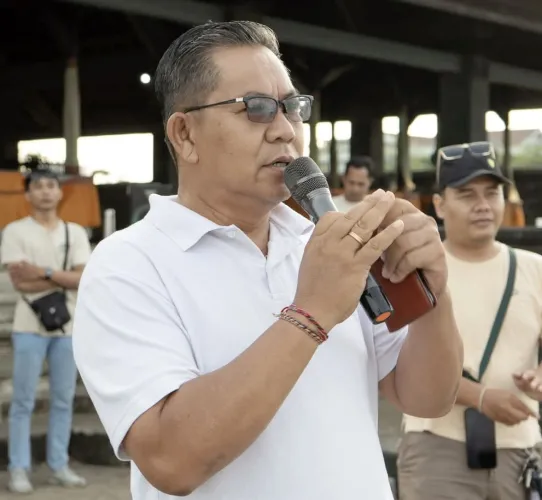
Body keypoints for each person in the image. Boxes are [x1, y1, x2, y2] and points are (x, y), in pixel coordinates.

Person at [72, 21, 462, 500]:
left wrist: (433, 296)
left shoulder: (322, 242)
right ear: (185, 133)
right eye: (255, 109)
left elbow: (427, 397)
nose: (284, 131)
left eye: (292, 107)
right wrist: (310, 313)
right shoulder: (130, 263)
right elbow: (171, 460)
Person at [398, 141, 542, 499]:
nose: (483, 206)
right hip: (438, 448)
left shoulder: (534, 269)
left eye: (492, 193)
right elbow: (397, 362)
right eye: (466, 195)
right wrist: (479, 397)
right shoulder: (414, 272)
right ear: (440, 205)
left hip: (520, 450)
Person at [0, 169, 90, 493]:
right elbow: (19, 281)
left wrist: (43, 271)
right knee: (23, 400)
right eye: (38, 187)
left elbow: (83, 278)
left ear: (59, 192)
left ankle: (58, 464)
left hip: (68, 327)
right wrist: (61, 275)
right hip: (28, 326)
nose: (45, 192)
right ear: (27, 195)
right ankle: (19, 468)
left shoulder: (75, 232)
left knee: (63, 398)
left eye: (51, 185)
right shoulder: (14, 231)